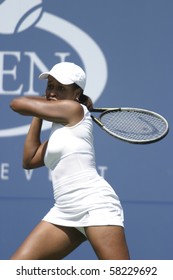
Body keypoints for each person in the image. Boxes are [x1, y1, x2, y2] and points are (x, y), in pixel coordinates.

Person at [9, 61, 130, 260]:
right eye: (50, 86)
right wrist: (38, 115)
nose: (52, 92)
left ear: (76, 94)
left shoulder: (74, 110)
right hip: (65, 210)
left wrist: (40, 104)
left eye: (61, 88)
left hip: (94, 205)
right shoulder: (60, 132)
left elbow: (17, 104)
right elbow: (29, 160)